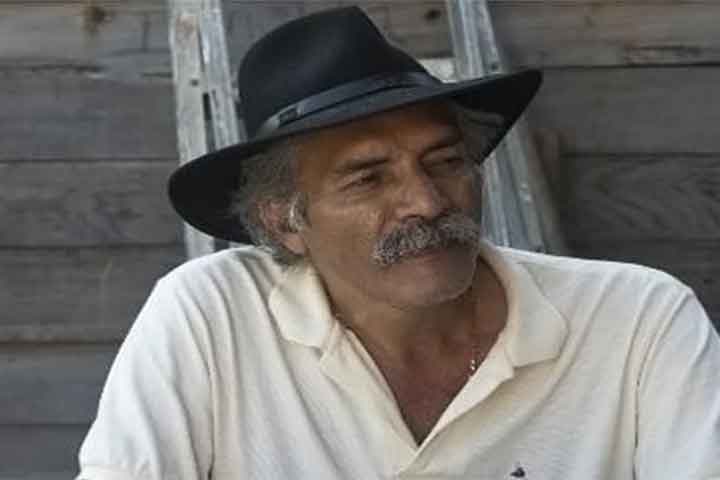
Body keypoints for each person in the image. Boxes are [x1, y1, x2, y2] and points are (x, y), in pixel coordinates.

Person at [76, 6, 720, 480]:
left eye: (445, 161)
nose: (428, 202)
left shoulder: (638, 323)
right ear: (284, 222)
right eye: (368, 178)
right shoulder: (210, 318)